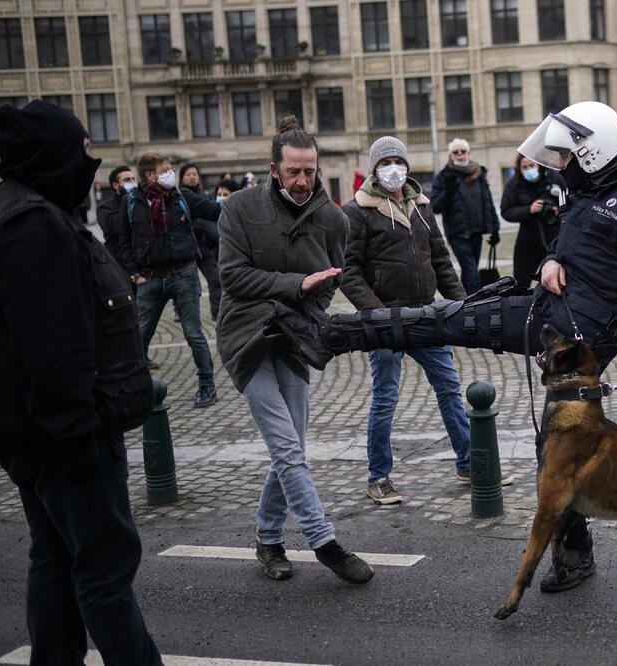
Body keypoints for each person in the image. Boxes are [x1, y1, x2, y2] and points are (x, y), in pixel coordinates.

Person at [276, 101, 617, 594]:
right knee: (444, 320)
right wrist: (552, 262)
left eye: (569, 154)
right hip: (549, 314)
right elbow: (570, 242)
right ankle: (331, 336)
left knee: (552, 451)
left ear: (594, 151)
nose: (562, 163)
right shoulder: (588, 192)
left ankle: (575, 559)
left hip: (582, 341)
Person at [0, 100, 162, 664]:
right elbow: (52, 349)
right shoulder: (35, 227)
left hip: (43, 433)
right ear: (53, 156)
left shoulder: (31, 214)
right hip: (68, 438)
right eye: (83, 150)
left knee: (57, 557)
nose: (91, 163)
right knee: (104, 567)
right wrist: (77, 441)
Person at [217, 115, 374, 583]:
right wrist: (295, 285)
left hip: (294, 338)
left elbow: (330, 282)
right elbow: (232, 276)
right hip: (245, 336)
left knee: (292, 450)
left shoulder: (332, 218)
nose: (303, 180)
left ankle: (268, 540)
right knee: (287, 448)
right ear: (273, 169)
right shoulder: (239, 209)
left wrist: (310, 294)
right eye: (294, 172)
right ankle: (325, 543)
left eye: (310, 171)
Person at [341, 136, 481, 505]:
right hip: (386, 323)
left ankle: (469, 462)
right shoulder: (357, 211)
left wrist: (464, 306)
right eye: (385, 162)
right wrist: (375, 312)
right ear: (374, 169)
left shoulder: (421, 206)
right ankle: (379, 476)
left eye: (398, 161)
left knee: (450, 388)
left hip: (425, 316)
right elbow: (348, 270)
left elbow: (441, 261)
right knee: (386, 398)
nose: (393, 168)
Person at [118, 153, 221, 407]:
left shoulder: (180, 195)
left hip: (184, 274)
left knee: (194, 333)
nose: (170, 173)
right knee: (141, 334)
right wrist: (136, 274)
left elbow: (215, 210)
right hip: (150, 279)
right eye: (165, 169)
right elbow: (125, 241)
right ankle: (136, 388)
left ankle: (207, 385)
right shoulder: (132, 202)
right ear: (150, 175)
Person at [430, 138, 501, 294]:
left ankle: (462, 301)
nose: (460, 155)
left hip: (477, 231)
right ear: (451, 155)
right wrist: (448, 192)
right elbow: (434, 207)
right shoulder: (444, 176)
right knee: (472, 272)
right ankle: (476, 303)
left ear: (468, 153)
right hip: (458, 233)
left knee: (470, 271)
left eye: (463, 151)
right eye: (456, 152)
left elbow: (487, 201)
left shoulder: (479, 173)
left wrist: (495, 228)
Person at [500, 153, 567, 288]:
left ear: (539, 165)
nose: (529, 169)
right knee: (520, 282)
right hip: (527, 240)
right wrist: (529, 210)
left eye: (532, 165)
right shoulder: (514, 184)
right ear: (519, 169)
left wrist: (559, 211)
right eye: (525, 167)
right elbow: (506, 211)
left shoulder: (555, 178)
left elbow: (572, 202)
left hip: (555, 238)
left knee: (557, 278)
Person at [178, 163, 223, 320]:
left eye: (195, 174)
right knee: (184, 285)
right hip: (185, 247)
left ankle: (217, 313)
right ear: (182, 178)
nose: (192, 177)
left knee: (215, 279)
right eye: (188, 174)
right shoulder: (178, 195)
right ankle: (180, 311)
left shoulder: (204, 195)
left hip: (203, 246)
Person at [96, 164, 137, 268]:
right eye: (127, 180)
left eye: (133, 179)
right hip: (119, 264)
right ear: (115, 185)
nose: (132, 182)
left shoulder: (139, 202)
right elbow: (116, 226)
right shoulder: (105, 207)